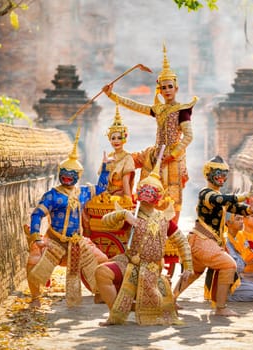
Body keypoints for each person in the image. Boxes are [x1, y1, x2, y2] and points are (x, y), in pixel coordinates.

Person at [102, 44, 198, 224]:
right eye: (164, 87)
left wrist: (174, 153)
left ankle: (170, 233)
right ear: (159, 90)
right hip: (155, 155)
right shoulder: (159, 109)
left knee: (171, 198)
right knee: (141, 183)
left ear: (176, 88)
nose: (167, 90)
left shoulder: (182, 110)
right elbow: (135, 105)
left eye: (170, 86)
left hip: (172, 160)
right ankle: (140, 222)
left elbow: (189, 136)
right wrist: (112, 95)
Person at [94, 154, 193, 326]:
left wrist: (188, 266)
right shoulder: (131, 214)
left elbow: (182, 242)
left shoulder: (164, 219)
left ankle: (130, 306)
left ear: (158, 197)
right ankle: (115, 315)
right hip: (130, 262)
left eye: (152, 191)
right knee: (102, 273)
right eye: (144, 189)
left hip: (152, 267)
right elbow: (105, 222)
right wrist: (123, 214)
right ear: (139, 192)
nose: (147, 193)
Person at [25, 129, 110, 308]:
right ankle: (35, 298)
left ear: (78, 176)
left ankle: (100, 293)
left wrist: (105, 167)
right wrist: (36, 238)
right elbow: (37, 214)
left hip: (78, 243)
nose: (67, 176)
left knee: (103, 262)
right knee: (33, 262)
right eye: (64, 172)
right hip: (54, 242)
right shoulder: (52, 195)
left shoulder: (83, 192)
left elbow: (102, 187)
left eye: (71, 173)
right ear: (59, 172)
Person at [172, 155, 253, 316]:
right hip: (203, 241)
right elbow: (220, 199)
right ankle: (221, 307)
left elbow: (238, 208)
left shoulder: (218, 196)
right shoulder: (206, 193)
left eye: (225, 173)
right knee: (229, 265)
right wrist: (243, 195)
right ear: (208, 173)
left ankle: (170, 300)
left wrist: (251, 207)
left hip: (201, 241)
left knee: (194, 273)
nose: (222, 177)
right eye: (218, 172)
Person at [103, 102, 135, 199]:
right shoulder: (109, 157)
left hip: (120, 195)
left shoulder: (127, 158)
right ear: (109, 139)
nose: (116, 141)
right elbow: (103, 181)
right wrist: (104, 165)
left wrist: (128, 200)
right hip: (106, 194)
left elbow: (126, 181)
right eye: (113, 138)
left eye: (119, 138)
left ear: (124, 139)